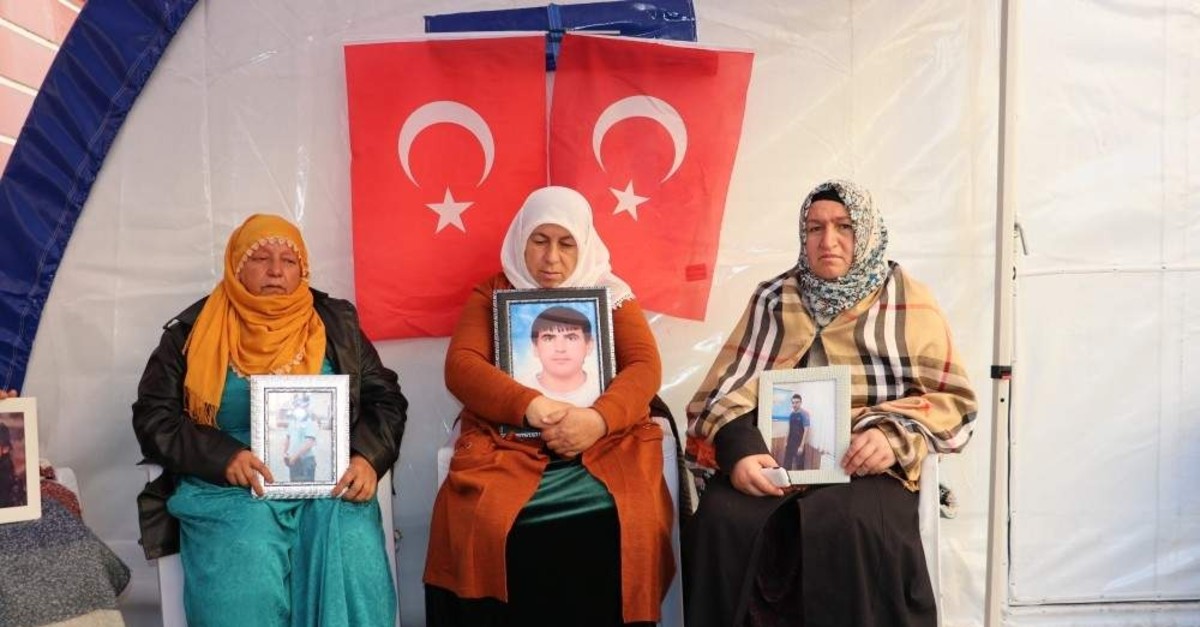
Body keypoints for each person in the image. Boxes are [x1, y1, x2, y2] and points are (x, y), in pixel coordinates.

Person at [683, 179, 976, 627]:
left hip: (864, 465)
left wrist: (890, 435)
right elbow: (726, 390)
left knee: (848, 525)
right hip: (774, 458)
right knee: (721, 519)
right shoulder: (774, 297)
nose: (828, 241)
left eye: (844, 227)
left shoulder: (908, 300)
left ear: (868, 233)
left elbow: (952, 400)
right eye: (815, 228)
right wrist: (741, 452)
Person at [132, 214, 408, 626]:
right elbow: (154, 417)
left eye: (289, 260)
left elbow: (385, 398)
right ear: (237, 265)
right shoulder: (190, 334)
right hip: (231, 487)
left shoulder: (335, 323)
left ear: (303, 270)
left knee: (350, 547)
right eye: (261, 258)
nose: (276, 270)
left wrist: (367, 456)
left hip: (327, 479)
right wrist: (223, 457)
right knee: (247, 560)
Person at [424, 186, 674, 627]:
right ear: (521, 240)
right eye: (540, 240)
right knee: (484, 519)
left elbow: (645, 367)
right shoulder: (493, 293)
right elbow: (461, 367)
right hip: (508, 448)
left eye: (566, 242)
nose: (552, 258)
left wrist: (597, 419)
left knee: (627, 512)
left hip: (602, 446)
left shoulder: (611, 294)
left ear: (585, 243)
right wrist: (530, 405)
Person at [523, 305, 599, 406]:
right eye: (548, 338)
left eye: (571, 338)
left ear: (589, 345)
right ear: (535, 348)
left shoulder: (604, 386)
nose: (560, 349)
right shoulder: (520, 387)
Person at [282, 395, 319, 482]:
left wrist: (294, 457)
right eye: (295, 404)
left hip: (306, 461)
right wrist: (284, 453)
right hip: (294, 460)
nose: (297, 407)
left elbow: (309, 443)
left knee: (307, 490)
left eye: (300, 404)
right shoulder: (292, 421)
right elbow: (288, 437)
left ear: (306, 405)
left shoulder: (310, 421)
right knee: (294, 488)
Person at [782, 394, 811, 470]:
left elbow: (806, 430)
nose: (794, 405)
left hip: (799, 443)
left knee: (799, 465)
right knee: (786, 464)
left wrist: (801, 446)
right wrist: (785, 441)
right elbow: (789, 429)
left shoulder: (804, 414)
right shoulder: (791, 415)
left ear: (801, 403)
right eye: (793, 402)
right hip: (790, 443)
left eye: (797, 402)